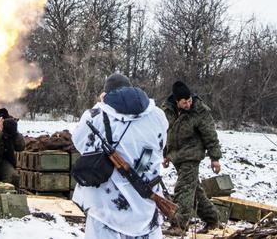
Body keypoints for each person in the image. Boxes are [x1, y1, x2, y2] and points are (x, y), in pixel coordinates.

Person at [72, 73, 168, 239]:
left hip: (107, 208)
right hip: (147, 205)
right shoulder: (158, 115)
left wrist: (101, 104)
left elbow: (80, 143)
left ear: (107, 94)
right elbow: (159, 145)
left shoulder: (96, 115)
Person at [162, 81, 222, 235]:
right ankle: (212, 219)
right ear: (176, 101)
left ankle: (179, 224)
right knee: (194, 191)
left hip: (192, 154)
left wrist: (215, 157)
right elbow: (165, 132)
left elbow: (210, 134)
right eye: (184, 102)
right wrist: (165, 154)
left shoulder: (199, 110)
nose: (188, 104)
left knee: (183, 188)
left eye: (189, 100)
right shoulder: (167, 110)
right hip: (176, 155)